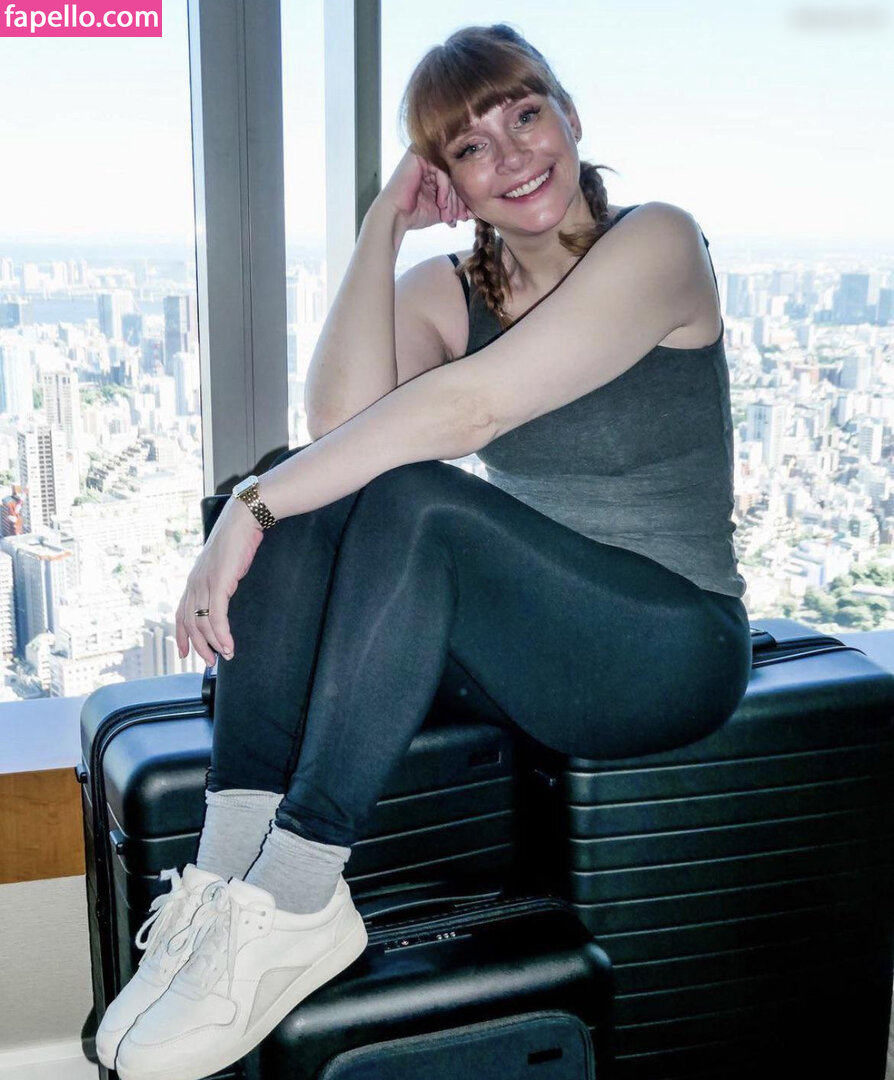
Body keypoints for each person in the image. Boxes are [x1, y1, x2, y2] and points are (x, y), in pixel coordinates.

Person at [97, 22, 752, 1080]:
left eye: (527, 115)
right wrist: (381, 229)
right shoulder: (455, 288)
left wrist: (247, 511)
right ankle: (227, 886)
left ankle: (301, 893)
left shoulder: (658, 243)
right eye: (472, 146)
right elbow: (342, 423)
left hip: (667, 649)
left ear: (571, 116)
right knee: (318, 482)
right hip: (531, 652)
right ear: (448, 179)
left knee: (407, 501)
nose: (514, 155)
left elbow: (469, 409)